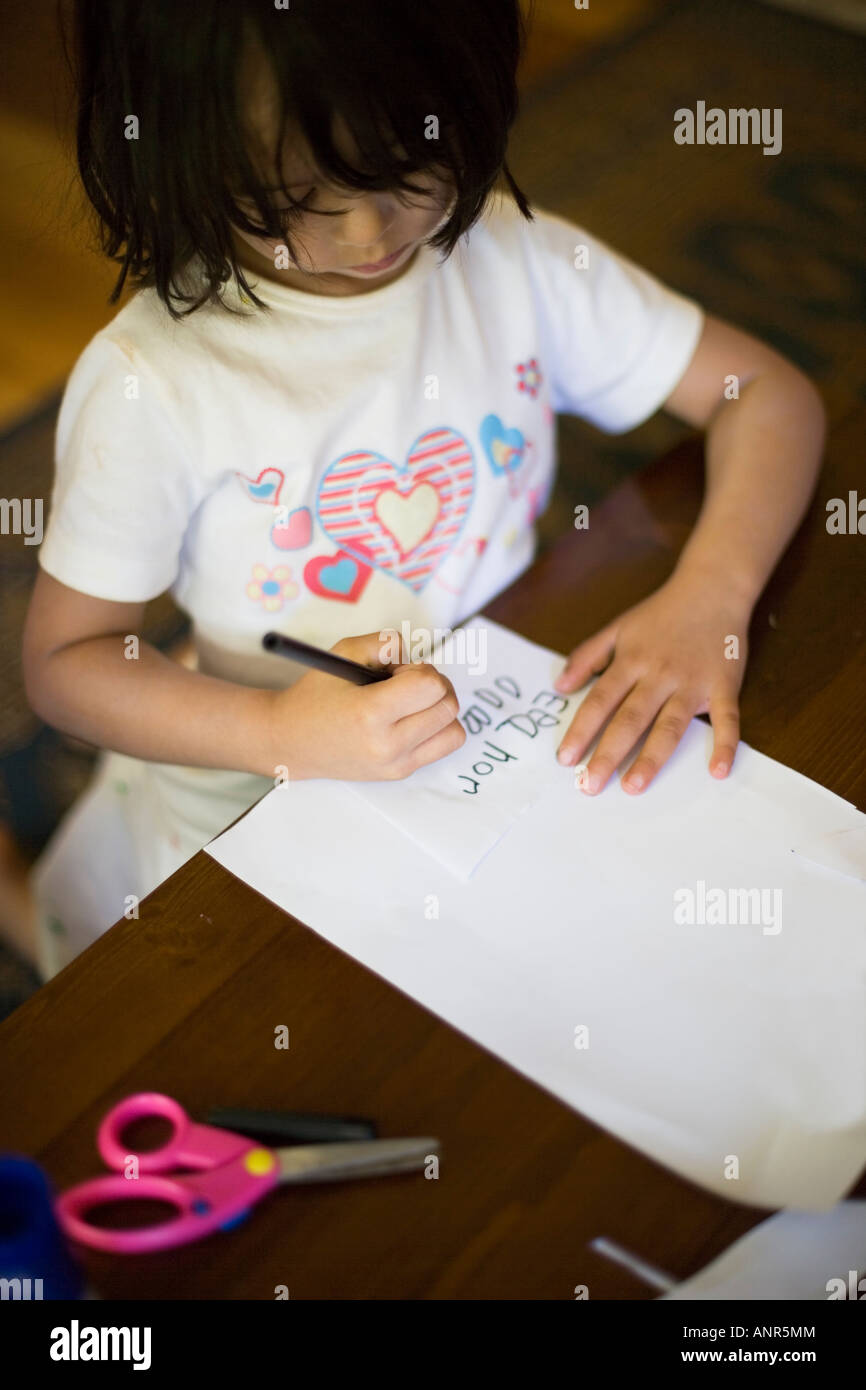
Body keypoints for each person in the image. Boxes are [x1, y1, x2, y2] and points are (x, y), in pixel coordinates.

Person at [11, 0, 823, 978]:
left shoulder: (514, 260)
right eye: (291, 198)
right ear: (179, 155)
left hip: (476, 733)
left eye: (408, 167)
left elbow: (766, 395)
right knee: (115, 977)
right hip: (244, 795)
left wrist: (710, 597)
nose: (367, 232)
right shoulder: (156, 379)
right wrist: (277, 731)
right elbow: (64, 662)